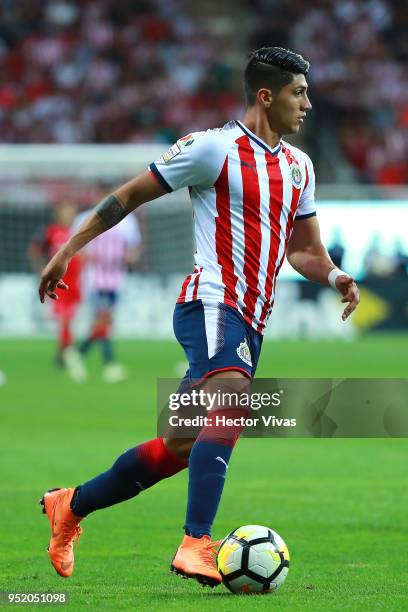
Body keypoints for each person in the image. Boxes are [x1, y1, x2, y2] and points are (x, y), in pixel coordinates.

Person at [38, 47, 360, 586]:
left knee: (181, 445)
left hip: (252, 319)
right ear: (266, 96)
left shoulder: (300, 166)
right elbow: (129, 196)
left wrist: (334, 276)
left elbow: (302, 250)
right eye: (298, 92)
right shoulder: (212, 149)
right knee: (234, 400)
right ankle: (196, 543)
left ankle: (70, 505)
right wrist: (69, 248)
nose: (307, 103)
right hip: (210, 302)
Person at [72, 209, 141, 383]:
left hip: (116, 280)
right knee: (104, 319)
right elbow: (76, 248)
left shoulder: (128, 221)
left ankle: (76, 354)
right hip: (95, 280)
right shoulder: (85, 217)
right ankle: (109, 364)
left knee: (104, 322)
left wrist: (129, 257)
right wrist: (90, 258)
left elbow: (134, 250)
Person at [29, 201, 82, 369]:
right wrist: (41, 270)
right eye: (66, 211)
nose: (69, 215)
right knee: (64, 320)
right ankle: (68, 353)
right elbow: (34, 250)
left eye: (71, 211)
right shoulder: (51, 232)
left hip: (77, 283)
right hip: (58, 284)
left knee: (69, 321)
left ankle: (60, 356)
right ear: (58, 213)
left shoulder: (79, 231)